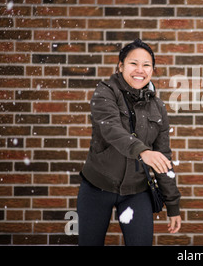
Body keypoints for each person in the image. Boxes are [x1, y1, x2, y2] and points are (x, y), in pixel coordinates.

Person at [77, 39, 181, 246]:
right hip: (97, 187)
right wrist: (143, 151)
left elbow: (163, 156)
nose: (139, 70)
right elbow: (111, 130)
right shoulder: (105, 92)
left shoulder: (158, 107)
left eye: (146, 65)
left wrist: (172, 204)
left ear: (152, 69)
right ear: (121, 66)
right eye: (133, 63)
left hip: (136, 191)